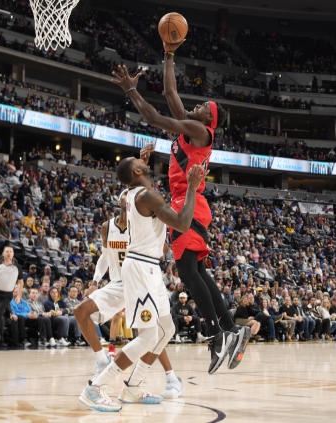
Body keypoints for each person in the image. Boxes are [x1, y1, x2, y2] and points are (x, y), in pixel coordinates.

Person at [111, 60, 249, 374]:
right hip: (188, 201)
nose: (196, 106)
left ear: (209, 119)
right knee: (196, 270)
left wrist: (131, 90)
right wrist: (169, 55)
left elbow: (153, 117)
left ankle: (216, 334)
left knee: (188, 271)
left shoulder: (199, 130)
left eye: (203, 107)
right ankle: (230, 329)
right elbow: (170, 93)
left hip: (189, 202)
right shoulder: (191, 125)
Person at [79, 156, 205, 412]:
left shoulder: (134, 193)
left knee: (166, 330)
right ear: (137, 171)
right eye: (138, 161)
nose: (144, 161)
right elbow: (182, 224)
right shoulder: (146, 196)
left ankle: (133, 386)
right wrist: (192, 187)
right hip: (140, 267)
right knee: (148, 337)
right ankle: (95, 388)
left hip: (150, 267)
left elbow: (132, 181)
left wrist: (140, 164)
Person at [74, 189, 185, 400]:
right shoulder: (108, 227)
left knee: (155, 331)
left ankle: (169, 377)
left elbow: (162, 249)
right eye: (125, 201)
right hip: (120, 282)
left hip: (141, 280)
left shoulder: (143, 224)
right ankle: (102, 362)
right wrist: (95, 281)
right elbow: (105, 257)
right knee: (81, 311)